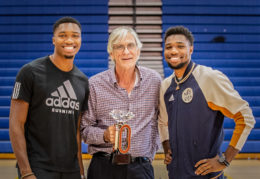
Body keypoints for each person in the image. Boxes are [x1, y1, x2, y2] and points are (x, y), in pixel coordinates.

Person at [158, 26, 255, 178]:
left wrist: (224, 160)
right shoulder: (165, 85)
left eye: (180, 46)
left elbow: (245, 117)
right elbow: (163, 122)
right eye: (169, 47)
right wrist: (166, 146)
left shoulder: (209, 78)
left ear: (191, 50)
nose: (174, 51)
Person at [9, 16, 89, 179]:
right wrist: (26, 172)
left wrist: (80, 171)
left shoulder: (83, 81)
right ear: (53, 40)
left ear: (80, 40)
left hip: (71, 170)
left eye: (75, 35)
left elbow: (76, 132)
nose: (69, 40)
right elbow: (16, 124)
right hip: (38, 168)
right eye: (62, 35)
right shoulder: (29, 72)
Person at [81, 26, 161, 179]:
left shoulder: (154, 81)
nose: (126, 51)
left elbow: (162, 120)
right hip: (103, 168)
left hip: (140, 167)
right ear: (111, 53)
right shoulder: (95, 84)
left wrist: (150, 153)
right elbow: (84, 130)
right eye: (119, 47)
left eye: (130, 45)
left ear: (138, 50)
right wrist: (104, 135)